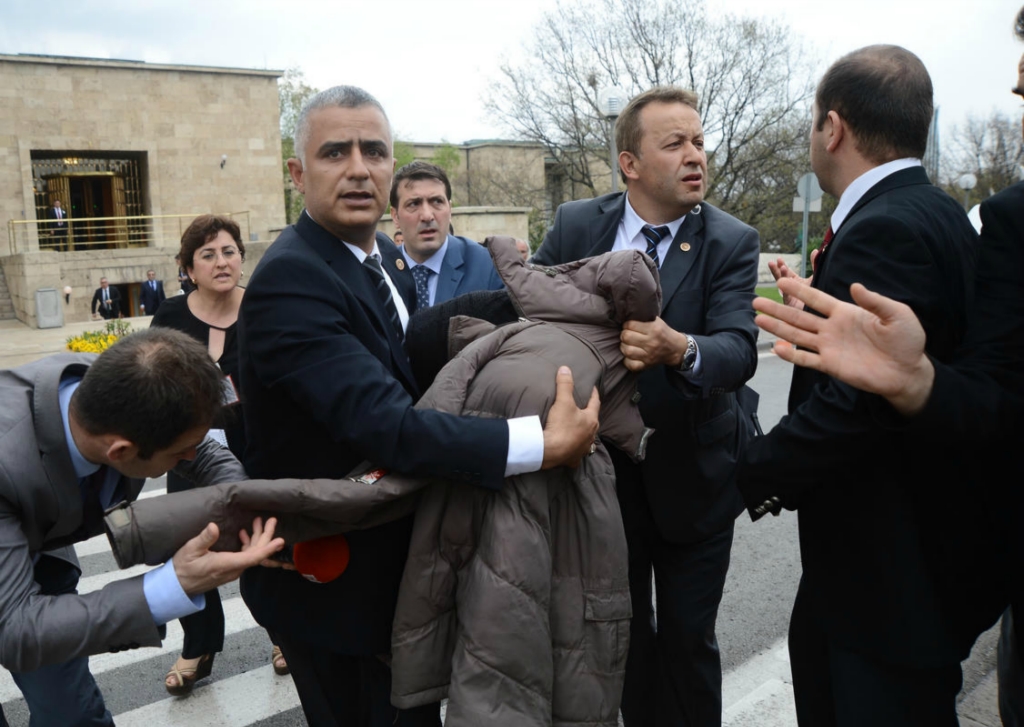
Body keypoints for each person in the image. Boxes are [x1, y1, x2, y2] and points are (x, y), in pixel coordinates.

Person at [236, 85, 599, 726]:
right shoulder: (293, 278)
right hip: (335, 587)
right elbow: (389, 427)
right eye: (334, 153)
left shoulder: (381, 262)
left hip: (396, 572)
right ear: (297, 174)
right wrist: (542, 444)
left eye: (374, 151)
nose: (358, 168)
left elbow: (412, 352)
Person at [750, 16, 1024, 723]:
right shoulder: (934, 211)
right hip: (910, 567)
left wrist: (746, 472)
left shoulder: (885, 228)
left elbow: (856, 404)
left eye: (814, 124)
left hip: (889, 578)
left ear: (832, 127)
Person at [531, 85, 760, 726]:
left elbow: (739, 349)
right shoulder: (580, 224)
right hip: (604, 481)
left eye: (699, 142)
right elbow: (534, 310)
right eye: (675, 144)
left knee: (689, 642)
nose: (696, 156)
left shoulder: (730, 240)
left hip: (699, 475)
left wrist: (678, 346)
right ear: (630, 164)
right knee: (623, 639)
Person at [0, 327, 284, 727]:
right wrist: (173, 585)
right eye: (178, 454)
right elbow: (15, 631)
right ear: (120, 451)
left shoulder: (118, 390)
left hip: (41, 553)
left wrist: (242, 506)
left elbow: (200, 449)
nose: (191, 457)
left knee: (74, 716)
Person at [150, 215, 288, 694]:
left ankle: (282, 634)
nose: (221, 261)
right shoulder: (170, 314)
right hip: (187, 454)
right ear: (188, 268)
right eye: (207, 254)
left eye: (229, 251)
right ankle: (198, 645)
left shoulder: (265, 308)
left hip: (257, 449)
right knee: (187, 548)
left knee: (264, 543)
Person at [391, 161, 503, 309]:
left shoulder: (486, 266)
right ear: (395, 216)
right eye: (413, 204)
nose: (427, 215)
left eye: (437, 201)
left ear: (450, 210)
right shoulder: (382, 270)